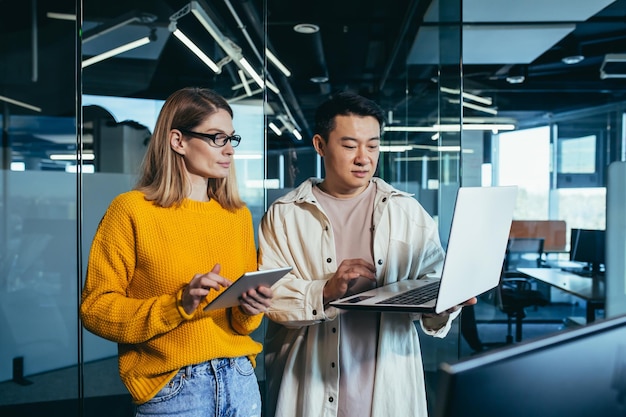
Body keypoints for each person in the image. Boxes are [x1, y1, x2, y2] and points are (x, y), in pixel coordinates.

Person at [257, 91, 476, 417]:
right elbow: (270, 296)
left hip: (387, 382)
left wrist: (445, 302)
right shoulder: (286, 214)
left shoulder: (407, 211)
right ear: (320, 145)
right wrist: (326, 291)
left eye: (372, 146)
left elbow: (433, 280)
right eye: (349, 146)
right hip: (309, 382)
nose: (364, 158)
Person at [80, 87, 273, 416]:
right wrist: (178, 305)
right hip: (174, 388)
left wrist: (251, 307)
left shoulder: (236, 215)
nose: (229, 150)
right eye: (216, 138)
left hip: (240, 380)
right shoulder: (131, 210)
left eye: (232, 138)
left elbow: (243, 326)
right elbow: (95, 311)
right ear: (177, 141)